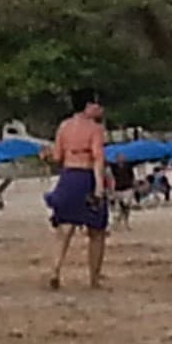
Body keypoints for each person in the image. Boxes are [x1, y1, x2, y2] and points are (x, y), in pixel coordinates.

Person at [45, 88, 109, 289]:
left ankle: (55, 269)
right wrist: (99, 187)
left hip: (68, 176)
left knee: (64, 228)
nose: (100, 108)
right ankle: (94, 278)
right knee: (96, 231)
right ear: (88, 106)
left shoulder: (64, 126)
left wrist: (45, 156)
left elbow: (57, 157)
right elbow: (98, 158)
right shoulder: (95, 129)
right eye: (96, 104)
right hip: (86, 176)